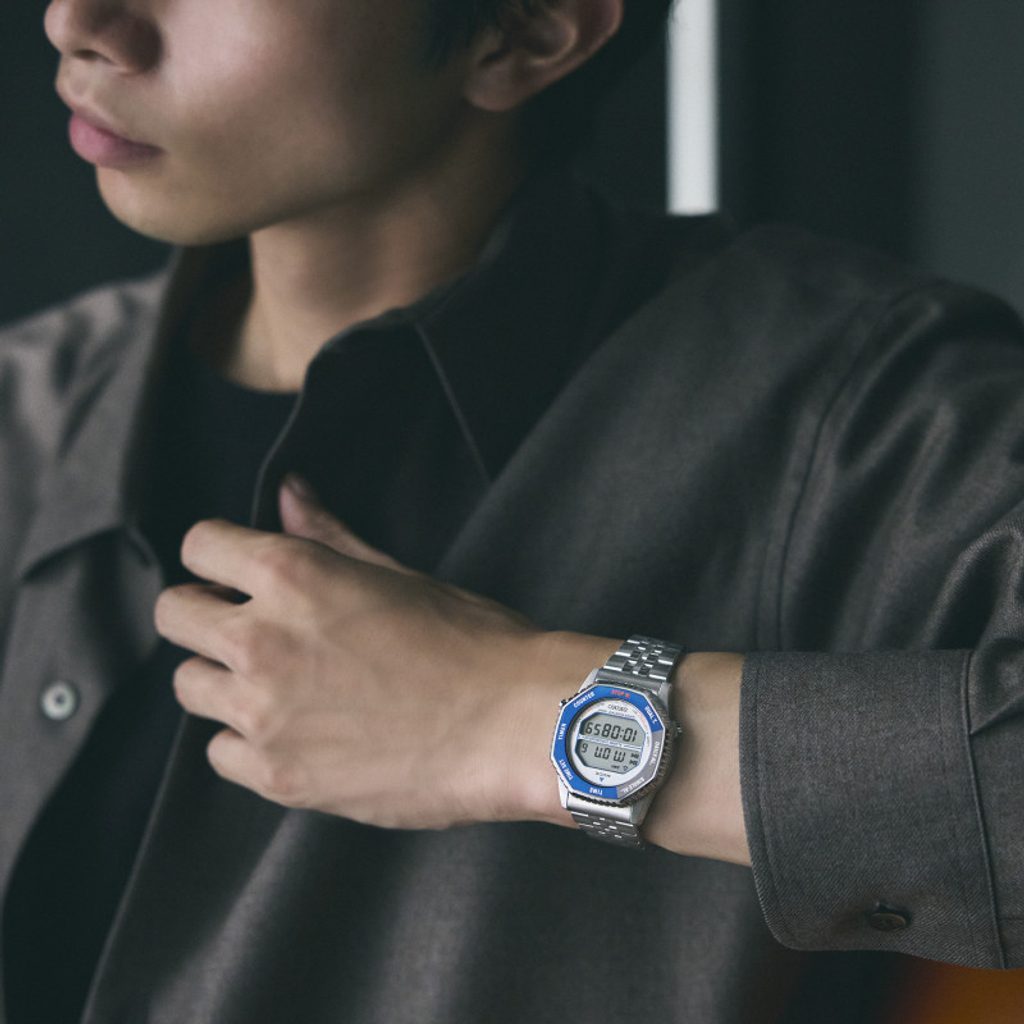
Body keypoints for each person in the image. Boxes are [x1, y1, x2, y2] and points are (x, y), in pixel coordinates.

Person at [1, 0, 1023, 1021]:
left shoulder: (863, 415)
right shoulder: (27, 408)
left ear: (527, 33)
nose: (80, 22)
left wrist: (511, 715)